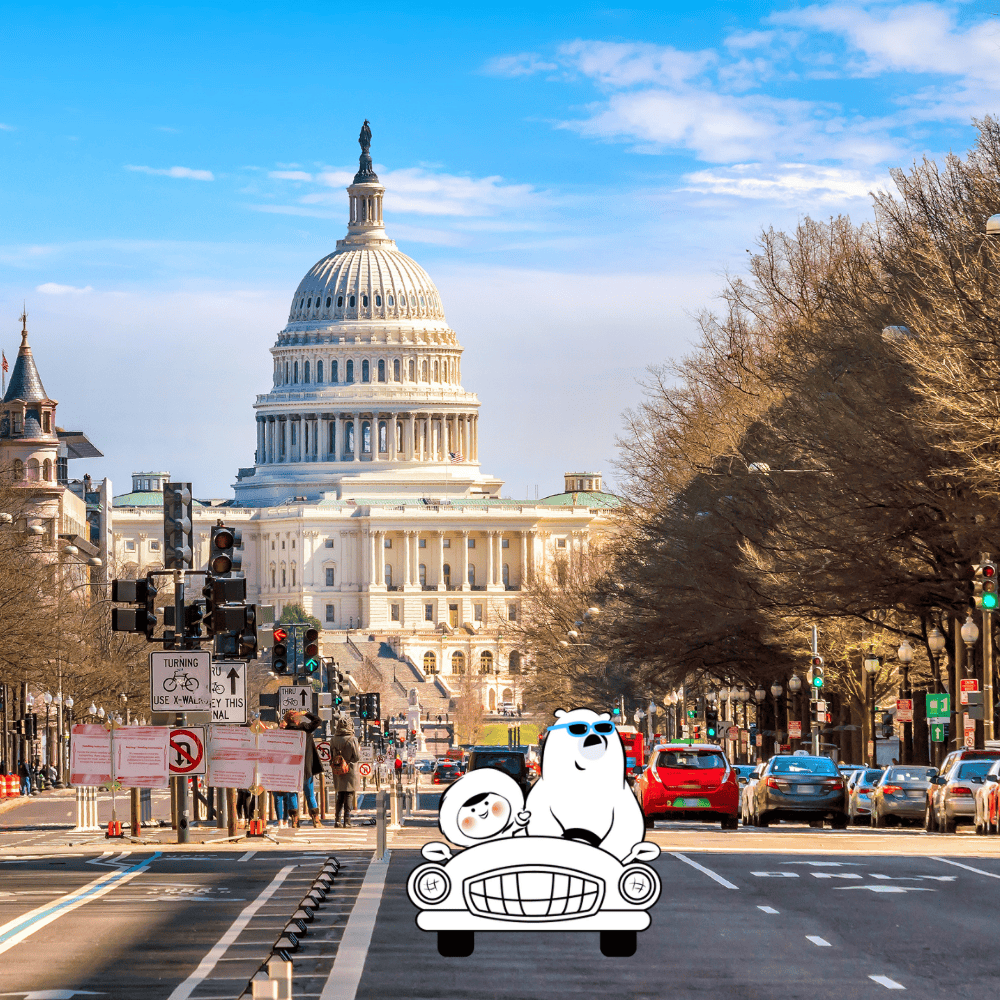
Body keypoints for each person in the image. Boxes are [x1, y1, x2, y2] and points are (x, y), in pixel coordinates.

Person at [281, 709, 324, 827]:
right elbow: (318, 720)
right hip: (306, 768)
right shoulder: (305, 729)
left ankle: (294, 820)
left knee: (292, 794)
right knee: (310, 794)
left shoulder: (284, 733)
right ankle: (316, 820)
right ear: (297, 720)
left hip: (290, 769)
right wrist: (306, 713)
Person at [330, 716, 360, 827]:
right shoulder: (352, 739)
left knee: (340, 795)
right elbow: (357, 757)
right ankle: (347, 820)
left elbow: (331, 755)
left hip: (337, 769)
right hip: (350, 770)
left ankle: (337, 820)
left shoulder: (333, 739)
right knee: (349, 794)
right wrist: (348, 761)